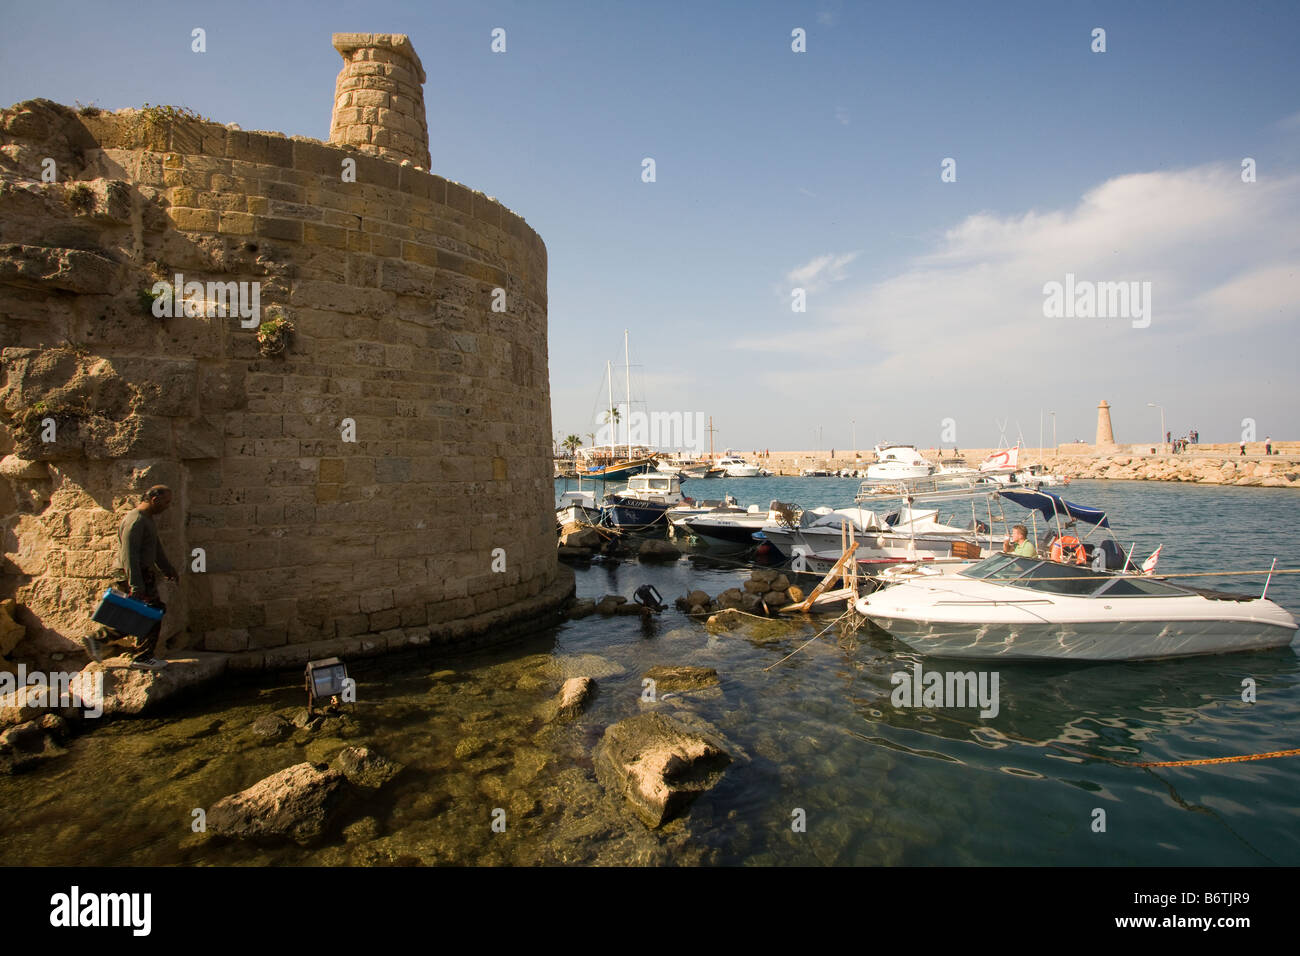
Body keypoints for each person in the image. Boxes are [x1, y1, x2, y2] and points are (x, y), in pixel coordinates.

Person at [88, 485, 178, 669]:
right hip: (133, 575)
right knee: (151, 613)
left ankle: (98, 640)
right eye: (167, 502)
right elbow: (129, 556)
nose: (168, 506)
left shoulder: (147, 520)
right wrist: (136, 586)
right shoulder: (135, 521)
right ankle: (142, 657)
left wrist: (167, 569)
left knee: (138, 614)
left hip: (143, 574)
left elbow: (155, 549)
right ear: (155, 499)